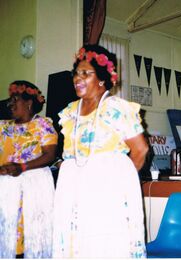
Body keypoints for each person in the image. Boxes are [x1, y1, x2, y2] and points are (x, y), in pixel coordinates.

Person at [53, 45, 149, 258]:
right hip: (73, 191)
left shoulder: (116, 108)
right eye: (76, 73)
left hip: (107, 192)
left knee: (105, 246)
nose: (78, 78)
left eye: (86, 73)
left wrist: (118, 184)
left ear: (102, 79)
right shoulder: (69, 112)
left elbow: (140, 150)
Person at [0, 81, 58, 258]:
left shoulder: (43, 125)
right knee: (8, 231)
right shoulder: (3, 127)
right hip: (7, 187)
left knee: (32, 231)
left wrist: (22, 167)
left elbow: (50, 155)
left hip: (34, 185)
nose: (10, 104)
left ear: (28, 103)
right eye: (10, 100)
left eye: (15, 99)